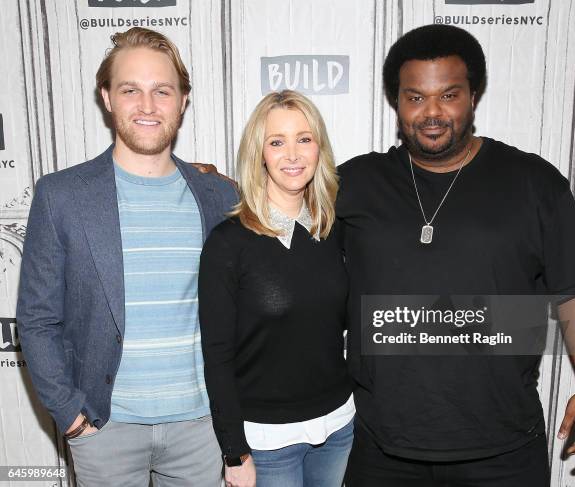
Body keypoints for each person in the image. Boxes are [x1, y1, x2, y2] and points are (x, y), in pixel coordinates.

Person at [337, 24, 575, 486]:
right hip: (384, 446)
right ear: (396, 102)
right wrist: (217, 187)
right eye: (415, 97)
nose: (432, 113)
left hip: (502, 446)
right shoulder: (354, 184)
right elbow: (277, 222)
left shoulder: (533, 183)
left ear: (474, 97)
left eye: (449, 95)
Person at [16, 27, 236, 486]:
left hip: (201, 427)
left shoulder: (218, 195)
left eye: (162, 91)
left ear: (183, 100)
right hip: (104, 428)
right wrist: (72, 416)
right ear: (107, 97)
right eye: (130, 90)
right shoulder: (62, 196)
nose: (148, 106)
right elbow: (37, 318)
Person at [198, 90, 355, 487]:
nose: (293, 154)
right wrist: (234, 452)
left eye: (304, 139)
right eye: (277, 141)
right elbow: (217, 357)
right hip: (267, 441)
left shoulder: (335, 230)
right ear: (260, 153)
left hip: (338, 427)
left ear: (319, 148)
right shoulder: (228, 242)